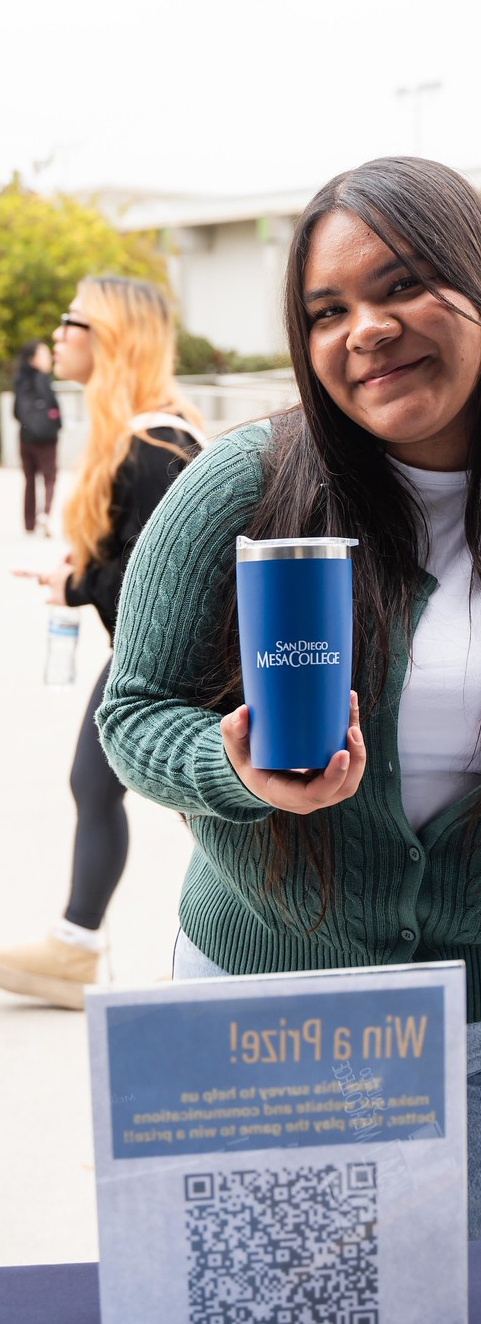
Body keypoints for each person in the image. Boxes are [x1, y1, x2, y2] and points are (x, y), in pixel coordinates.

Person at [95, 159, 481, 1240]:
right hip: (251, 1033)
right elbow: (132, 714)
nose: (364, 330)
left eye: (401, 285)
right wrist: (231, 772)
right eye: (325, 310)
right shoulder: (239, 486)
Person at [0, 276, 204, 1009]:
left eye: (70, 319)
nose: (57, 333)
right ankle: (77, 944)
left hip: (174, 665)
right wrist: (79, 572)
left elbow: (167, 589)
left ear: (110, 336)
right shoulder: (143, 434)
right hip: (155, 658)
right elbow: (139, 559)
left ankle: (91, 948)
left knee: (200, 809)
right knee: (106, 785)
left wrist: (79, 586)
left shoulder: (156, 445)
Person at [13, 340, 61, 534]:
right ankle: (45, 514)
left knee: (29, 480)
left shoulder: (19, 381)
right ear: (33, 359)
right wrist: (55, 423)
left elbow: (16, 412)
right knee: (49, 477)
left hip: (25, 438)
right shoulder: (42, 379)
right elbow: (53, 407)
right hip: (46, 438)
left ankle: (29, 523)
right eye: (44, 354)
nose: (48, 358)